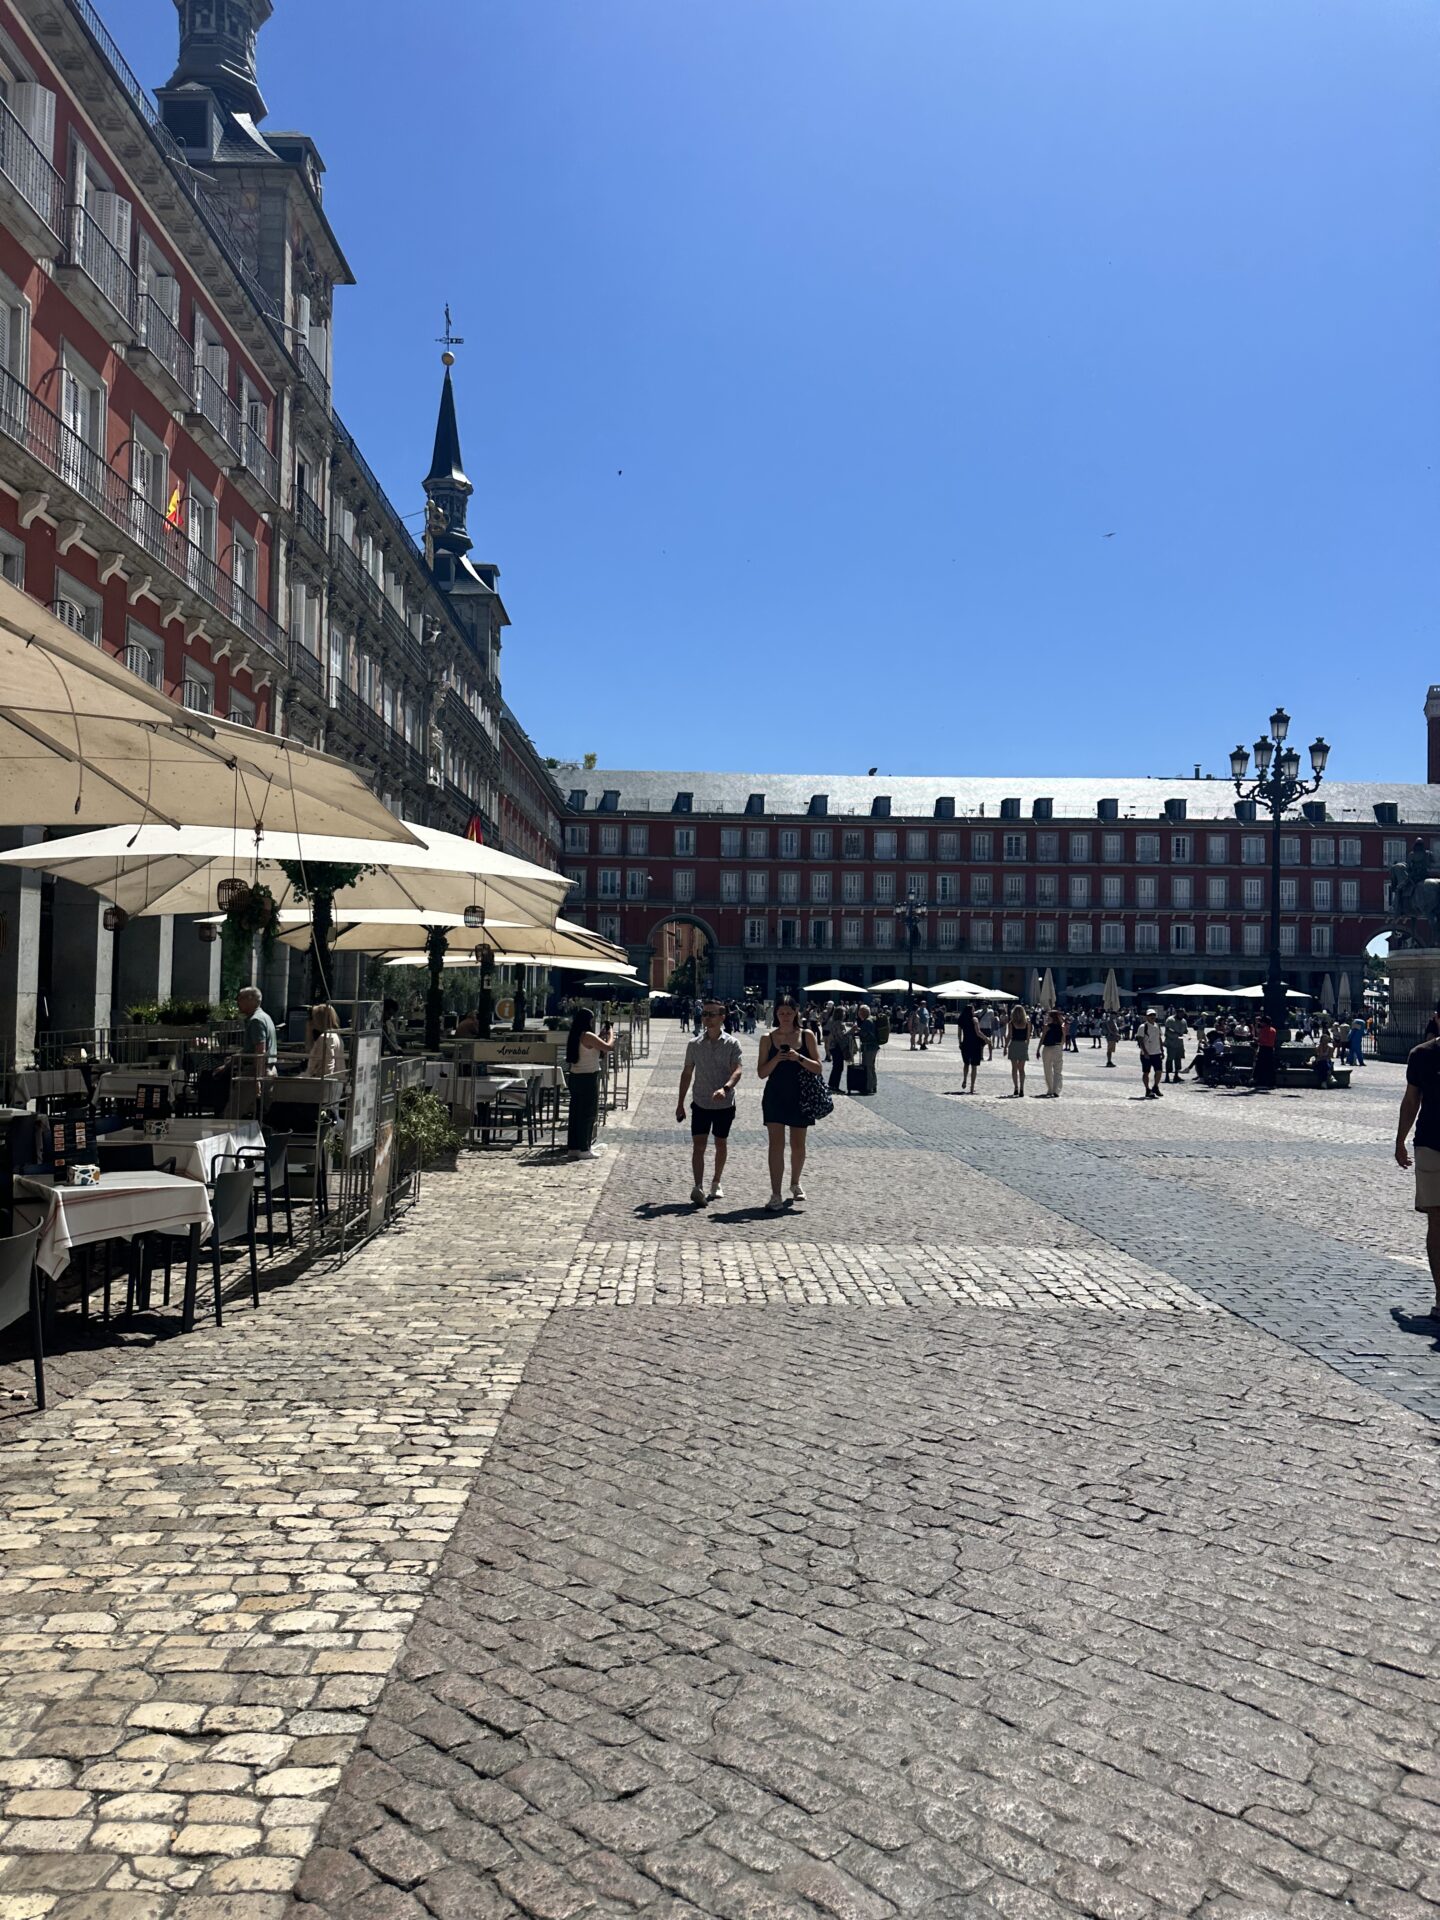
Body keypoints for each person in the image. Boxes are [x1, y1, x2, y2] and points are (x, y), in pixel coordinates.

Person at [757, 996, 823, 1210]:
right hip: (775, 1095)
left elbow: (818, 1068)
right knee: (775, 1145)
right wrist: (776, 1058)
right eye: (781, 1013)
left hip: (800, 1096)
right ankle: (775, 1193)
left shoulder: (806, 1035)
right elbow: (761, 1073)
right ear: (776, 1014)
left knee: (798, 1144)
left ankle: (795, 1182)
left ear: (796, 1013)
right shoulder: (767, 1038)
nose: (785, 1016)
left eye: (789, 1012)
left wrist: (799, 1058)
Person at [677, 1000, 743, 1204]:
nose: (707, 1018)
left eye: (712, 1014)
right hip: (701, 1101)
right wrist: (680, 1103)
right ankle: (698, 1186)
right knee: (699, 1145)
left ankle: (716, 1181)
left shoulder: (732, 1043)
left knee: (720, 1143)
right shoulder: (694, 1044)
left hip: (724, 1103)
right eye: (705, 1014)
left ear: (722, 1017)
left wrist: (726, 1088)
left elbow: (737, 1070)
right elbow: (687, 1073)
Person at [1396, 1036, 1440, 1321]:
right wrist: (1400, 1140)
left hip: (1429, 1143)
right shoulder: (1422, 1054)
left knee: (1437, 1221)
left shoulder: (1422, 1054)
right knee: (1437, 1220)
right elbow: (1411, 1100)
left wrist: (1400, 1140)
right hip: (1430, 1145)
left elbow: (1412, 1100)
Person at [565, 1009, 613, 1159]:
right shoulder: (588, 1035)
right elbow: (608, 1047)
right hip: (588, 1077)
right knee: (588, 1113)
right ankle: (584, 1148)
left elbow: (591, 1047)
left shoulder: (575, 1035)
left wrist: (600, 1036)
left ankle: (574, 1146)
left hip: (575, 1076)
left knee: (575, 1113)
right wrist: (611, 1033)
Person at [238, 986, 277, 1082]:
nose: (238, 1002)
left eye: (241, 998)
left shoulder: (256, 1020)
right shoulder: (265, 1017)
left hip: (255, 1072)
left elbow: (260, 1051)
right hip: (269, 1069)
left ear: (251, 1000)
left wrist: (258, 1079)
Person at [306, 1002, 348, 1078]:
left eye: (313, 1017)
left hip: (320, 1081)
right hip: (337, 1079)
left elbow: (327, 1068)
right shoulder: (335, 1036)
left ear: (319, 1019)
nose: (311, 1021)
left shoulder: (325, 1038)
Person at [1038, 1007, 1066, 1097]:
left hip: (1047, 1048)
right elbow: (1063, 1039)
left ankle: (1050, 1089)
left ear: (1052, 1017)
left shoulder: (1046, 1026)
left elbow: (1042, 1038)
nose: (1047, 1017)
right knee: (1058, 1070)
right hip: (1057, 1047)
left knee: (1047, 1070)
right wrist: (1060, 1046)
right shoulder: (1062, 1026)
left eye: (1048, 1016)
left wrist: (1038, 1049)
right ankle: (1056, 1090)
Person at [1138, 1009, 1165, 1097]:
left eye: (1153, 1015)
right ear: (1147, 1017)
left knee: (1159, 1071)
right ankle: (1147, 1089)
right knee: (1146, 1072)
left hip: (1156, 1052)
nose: (1152, 1017)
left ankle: (1155, 1086)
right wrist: (1145, 1052)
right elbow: (1141, 1040)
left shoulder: (1157, 1026)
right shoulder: (1143, 1027)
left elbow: (1159, 1038)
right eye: (1150, 1015)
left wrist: (1162, 1050)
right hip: (1146, 1054)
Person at [958, 1005, 985, 1093]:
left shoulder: (961, 1020)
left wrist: (960, 1043)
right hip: (975, 1043)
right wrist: (986, 1039)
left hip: (965, 1043)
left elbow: (959, 1034)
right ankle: (972, 1087)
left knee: (966, 1064)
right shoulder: (974, 1020)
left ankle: (965, 1079)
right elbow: (978, 1032)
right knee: (974, 1066)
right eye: (973, 1010)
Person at [1006, 1004, 1031, 1096]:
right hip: (1023, 1045)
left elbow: (1009, 1036)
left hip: (1014, 1044)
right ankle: (1022, 1089)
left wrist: (1005, 1047)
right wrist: (1026, 1046)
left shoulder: (1011, 1023)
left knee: (1014, 1068)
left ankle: (1016, 1087)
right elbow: (1028, 1037)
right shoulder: (1027, 1023)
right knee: (1022, 1069)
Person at [856, 1003, 880, 1094]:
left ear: (864, 1013)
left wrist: (857, 1030)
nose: (859, 1014)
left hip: (869, 1047)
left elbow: (865, 1034)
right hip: (874, 1046)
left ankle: (868, 1087)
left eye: (860, 1012)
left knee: (867, 1067)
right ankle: (873, 1085)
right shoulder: (872, 1019)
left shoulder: (867, 1021)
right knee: (871, 1067)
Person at [1252, 1012, 1279, 1091]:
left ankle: (1260, 1081)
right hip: (1270, 1049)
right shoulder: (1273, 1030)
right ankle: (1272, 1083)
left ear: (1265, 1023)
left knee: (1260, 1065)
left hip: (1264, 1048)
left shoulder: (1264, 1030)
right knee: (1270, 1067)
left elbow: (1262, 1040)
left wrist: (1256, 1039)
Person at [1163, 1011, 1187, 1083]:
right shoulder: (1170, 1019)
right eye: (1180, 1013)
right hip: (1171, 1042)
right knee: (1170, 1059)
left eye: (1183, 1013)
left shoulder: (1183, 1021)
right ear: (1177, 1013)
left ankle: (1176, 1075)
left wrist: (1186, 1033)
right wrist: (1176, 1032)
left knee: (1178, 1059)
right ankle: (1167, 1075)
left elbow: (1185, 1030)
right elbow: (1168, 1029)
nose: (1182, 1014)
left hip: (1179, 1043)